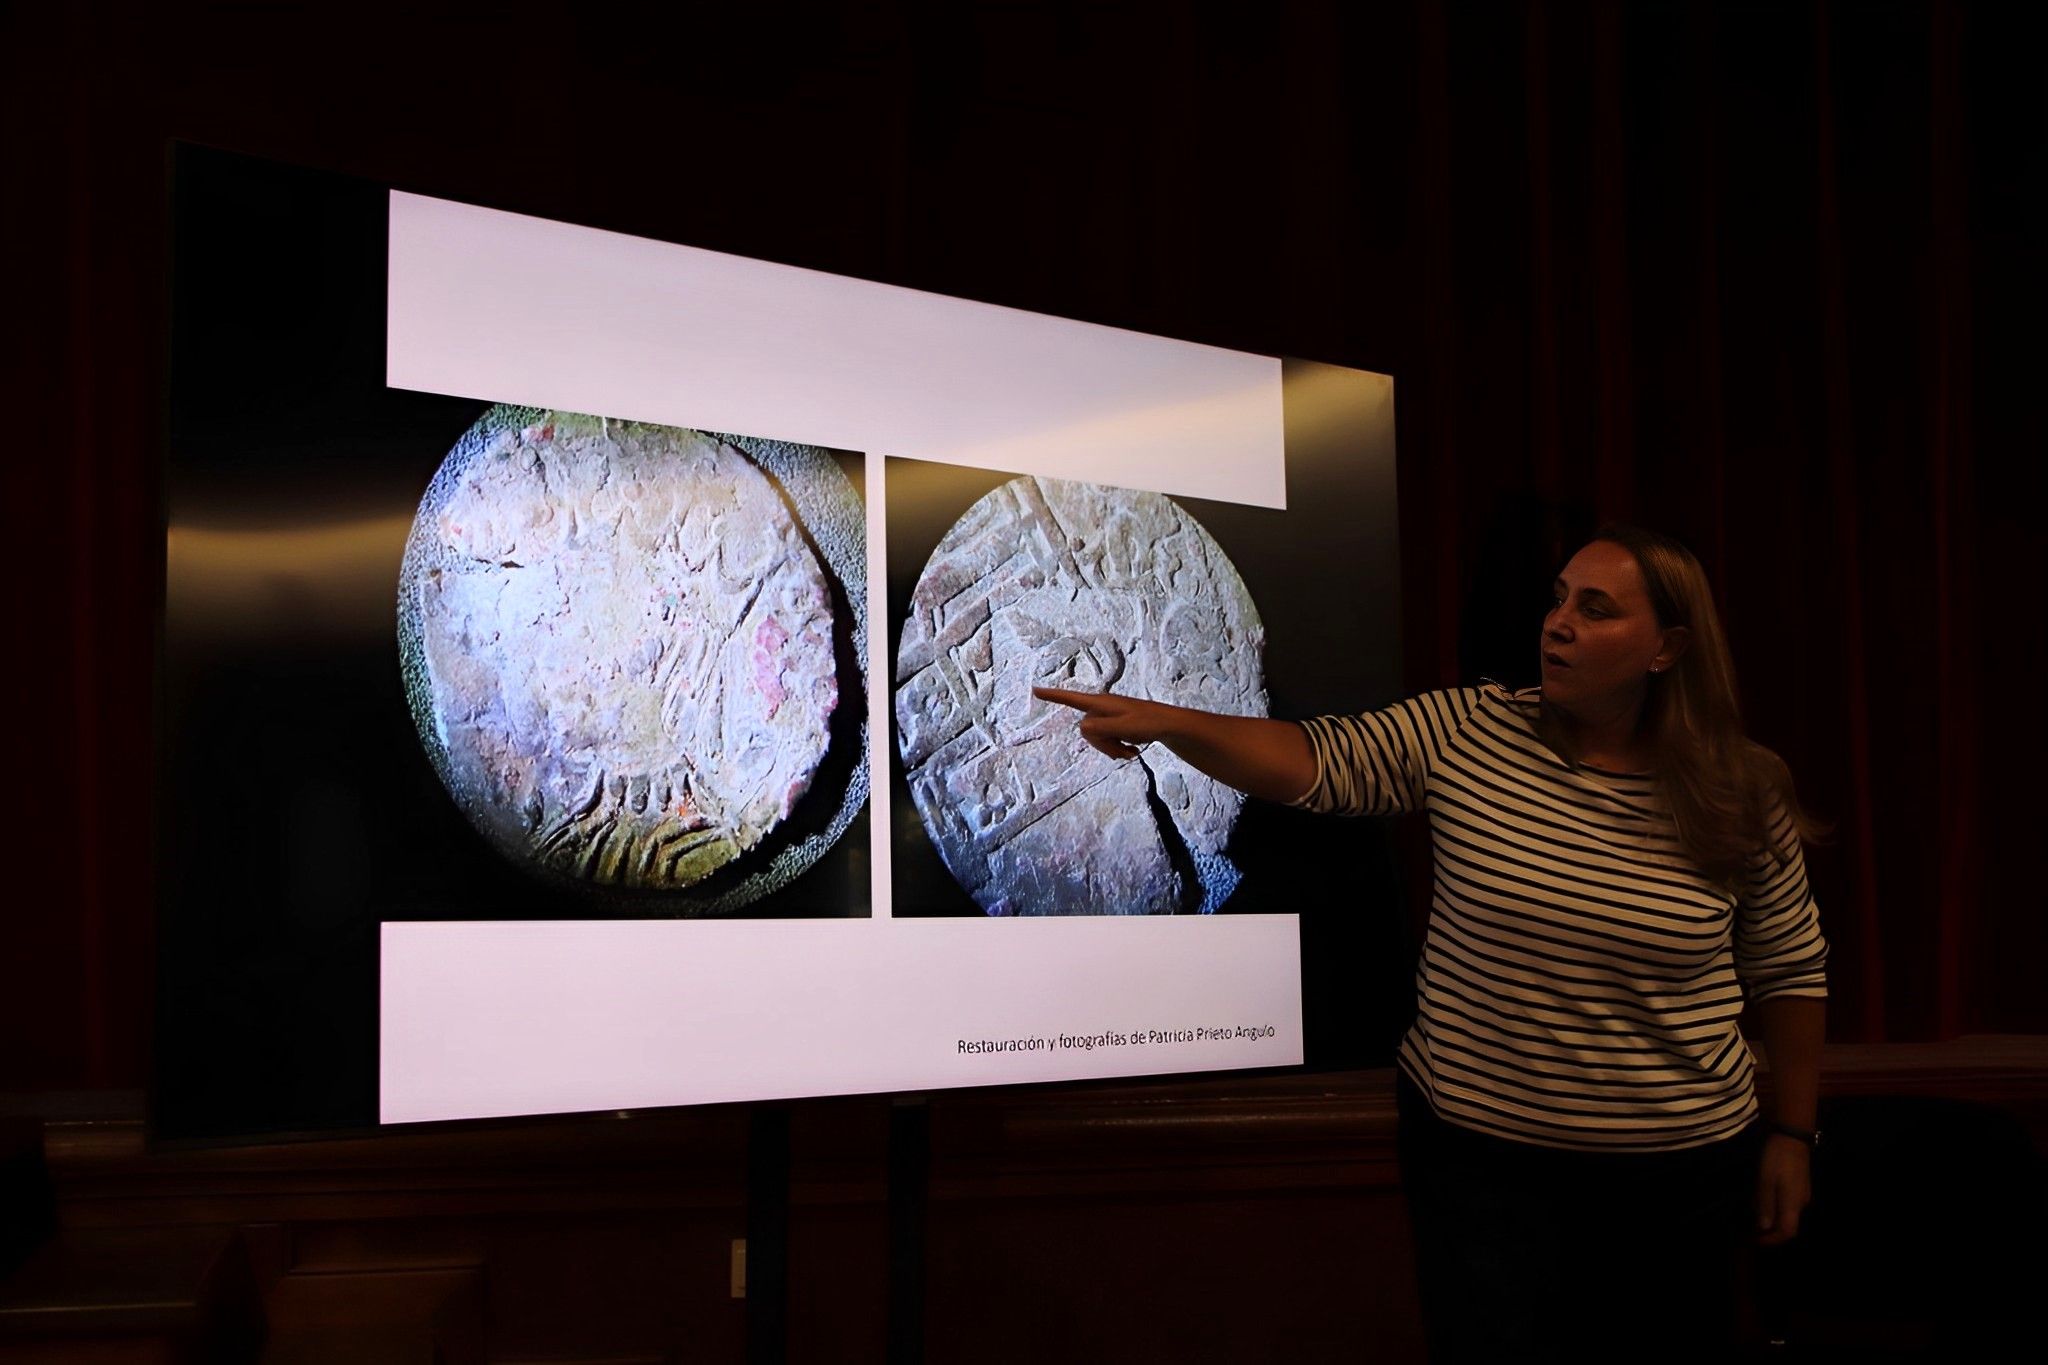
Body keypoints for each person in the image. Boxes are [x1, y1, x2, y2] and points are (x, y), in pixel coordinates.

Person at [1035, 524, 1826, 1363]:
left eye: (1596, 610)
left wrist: (1793, 1134)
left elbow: (1790, 965)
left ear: (1666, 648)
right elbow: (1316, 762)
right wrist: (1168, 722)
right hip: (1486, 1173)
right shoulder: (1470, 731)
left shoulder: (1744, 786)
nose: (1558, 623)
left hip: (1681, 1180)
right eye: (1558, 598)